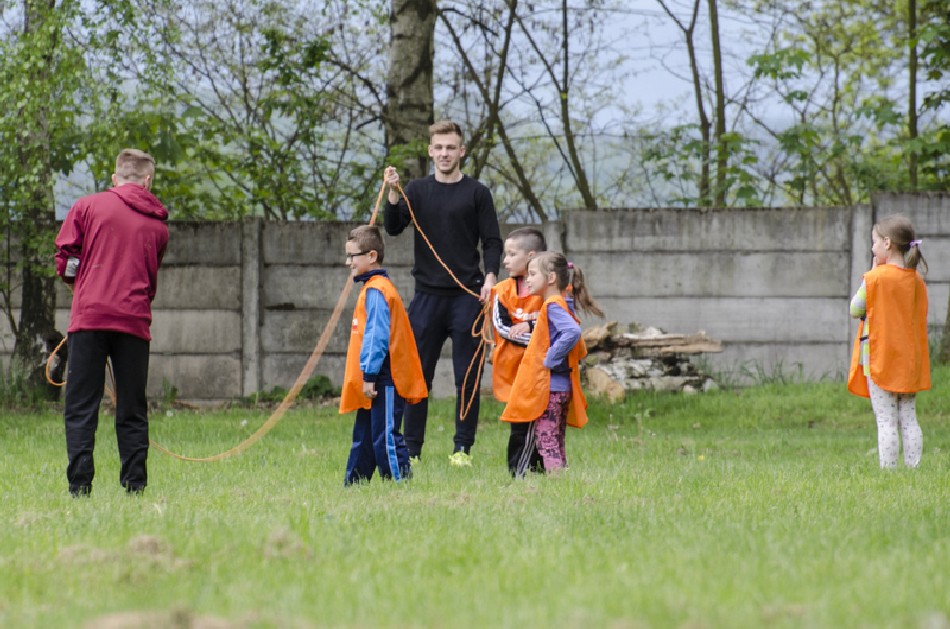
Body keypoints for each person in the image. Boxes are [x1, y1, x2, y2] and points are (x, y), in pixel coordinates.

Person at [383, 120, 502, 466]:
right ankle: (412, 451)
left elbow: (492, 241)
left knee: (468, 376)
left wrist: (491, 278)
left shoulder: (477, 193)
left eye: (451, 147)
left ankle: (462, 449)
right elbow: (393, 228)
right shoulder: (417, 190)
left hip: (469, 296)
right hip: (427, 297)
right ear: (430, 151)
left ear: (461, 151)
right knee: (418, 375)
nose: (445, 153)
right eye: (439, 147)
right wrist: (393, 192)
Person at [54, 148, 169, 496]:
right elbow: (150, 279)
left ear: (115, 178)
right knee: (133, 407)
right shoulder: (158, 226)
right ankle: (135, 485)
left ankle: (79, 486)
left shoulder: (87, 207)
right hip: (133, 321)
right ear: (147, 181)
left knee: (81, 407)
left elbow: (65, 259)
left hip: (89, 318)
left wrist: (80, 285)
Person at [339, 225, 428, 485]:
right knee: (365, 434)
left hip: (385, 378)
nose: (348, 262)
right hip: (376, 376)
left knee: (385, 435)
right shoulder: (372, 288)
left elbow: (376, 337)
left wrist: (369, 375)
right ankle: (355, 484)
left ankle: (399, 484)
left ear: (371, 256)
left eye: (352, 256)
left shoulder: (377, 291)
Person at [501, 252, 603, 475]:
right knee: (555, 439)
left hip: (550, 388)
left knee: (546, 440)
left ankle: (554, 479)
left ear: (551, 278)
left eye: (532, 274)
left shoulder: (553, 306)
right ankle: (562, 478)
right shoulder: (562, 303)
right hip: (560, 387)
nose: (527, 279)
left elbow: (572, 332)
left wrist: (550, 358)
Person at [848, 214, 930, 469]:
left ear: (887, 243)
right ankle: (914, 468)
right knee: (909, 418)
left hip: (879, 360)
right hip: (908, 363)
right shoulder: (916, 281)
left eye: (874, 242)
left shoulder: (875, 278)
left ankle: (889, 471)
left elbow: (855, 309)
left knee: (886, 420)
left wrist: (872, 273)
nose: (872, 247)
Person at [491, 228, 546, 475]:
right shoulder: (501, 290)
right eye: (506, 254)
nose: (505, 260)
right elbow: (503, 328)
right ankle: (520, 472)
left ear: (531, 256)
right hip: (512, 372)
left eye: (512, 254)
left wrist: (531, 327)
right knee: (519, 423)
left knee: (541, 423)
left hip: (540, 371)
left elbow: (554, 325)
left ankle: (535, 469)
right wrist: (537, 337)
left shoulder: (549, 290)